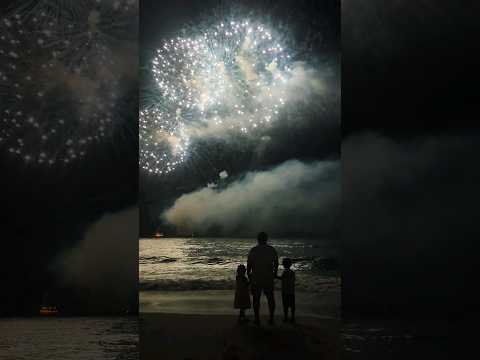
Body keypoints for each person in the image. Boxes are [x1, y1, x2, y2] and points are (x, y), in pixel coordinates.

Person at [247, 232, 278, 326]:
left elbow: (249, 264)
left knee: (256, 299)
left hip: (256, 277)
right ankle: (271, 318)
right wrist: (275, 274)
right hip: (268, 277)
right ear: (266, 239)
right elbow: (276, 263)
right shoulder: (271, 250)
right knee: (270, 298)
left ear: (258, 239)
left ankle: (257, 319)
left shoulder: (254, 250)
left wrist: (249, 275)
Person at [277, 257, 296, 323]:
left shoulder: (285, 272)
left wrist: (275, 276)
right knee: (292, 305)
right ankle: (292, 317)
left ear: (283, 264)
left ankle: (286, 317)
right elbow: (293, 281)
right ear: (290, 264)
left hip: (285, 291)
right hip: (291, 291)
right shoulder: (292, 272)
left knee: (285, 305)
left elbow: (282, 279)